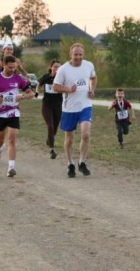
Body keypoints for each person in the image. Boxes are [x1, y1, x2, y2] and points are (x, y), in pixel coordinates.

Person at [0, 55, 35, 177]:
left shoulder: (18, 79)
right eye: (10, 67)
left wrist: (22, 96)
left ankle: (11, 167)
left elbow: (31, 94)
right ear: (4, 65)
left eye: (14, 67)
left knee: (12, 139)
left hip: (13, 112)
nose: (12, 69)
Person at [52, 43, 97, 178]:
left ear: (83, 55)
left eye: (80, 55)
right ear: (71, 55)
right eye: (75, 54)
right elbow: (55, 87)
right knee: (69, 138)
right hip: (69, 108)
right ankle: (70, 163)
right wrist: (67, 89)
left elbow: (93, 78)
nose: (78, 57)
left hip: (85, 105)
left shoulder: (89, 65)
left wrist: (92, 89)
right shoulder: (63, 69)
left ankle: (82, 162)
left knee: (86, 134)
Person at [36, 59, 63, 159]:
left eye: (59, 67)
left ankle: (49, 139)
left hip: (58, 106)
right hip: (47, 106)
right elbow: (39, 84)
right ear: (51, 67)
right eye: (55, 67)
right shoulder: (46, 77)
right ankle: (52, 150)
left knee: (54, 129)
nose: (57, 69)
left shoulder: (62, 79)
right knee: (50, 127)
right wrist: (37, 91)